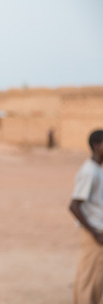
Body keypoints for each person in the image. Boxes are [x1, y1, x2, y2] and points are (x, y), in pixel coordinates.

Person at [69, 129, 103, 304]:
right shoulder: (89, 171)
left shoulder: (98, 170)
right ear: (97, 146)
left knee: (96, 281)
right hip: (94, 235)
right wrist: (94, 233)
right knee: (87, 281)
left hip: (98, 233)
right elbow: (74, 206)